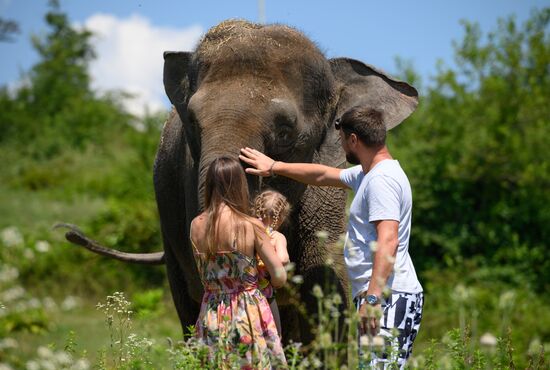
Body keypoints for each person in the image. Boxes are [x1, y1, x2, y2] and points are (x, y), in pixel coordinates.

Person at [240, 107, 423, 369]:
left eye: (341, 141)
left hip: (388, 297)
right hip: (383, 294)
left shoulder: (382, 180)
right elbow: (323, 175)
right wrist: (273, 167)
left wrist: (373, 299)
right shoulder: (368, 175)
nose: (341, 147)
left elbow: (388, 241)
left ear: (353, 140)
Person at [189, 156, 287, 369]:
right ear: (239, 185)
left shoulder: (196, 225)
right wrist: (270, 280)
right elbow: (279, 275)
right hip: (248, 314)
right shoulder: (250, 225)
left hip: (212, 311)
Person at [252, 190, 291, 336]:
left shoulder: (250, 232)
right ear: (281, 218)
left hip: (247, 291)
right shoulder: (277, 237)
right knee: (274, 335)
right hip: (267, 293)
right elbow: (283, 259)